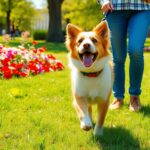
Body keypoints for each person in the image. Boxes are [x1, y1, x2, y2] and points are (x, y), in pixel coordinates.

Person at [98, 0, 150, 111]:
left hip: (141, 7)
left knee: (136, 50)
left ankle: (135, 97)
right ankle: (118, 97)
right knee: (118, 57)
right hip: (114, 8)